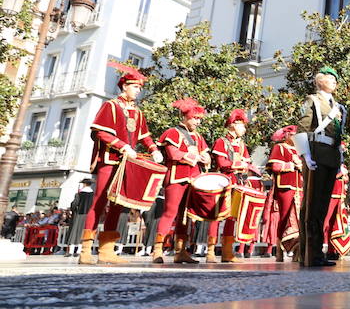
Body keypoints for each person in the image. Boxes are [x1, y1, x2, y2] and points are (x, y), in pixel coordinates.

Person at [80, 61, 163, 265]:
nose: (138, 91)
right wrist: (123, 145)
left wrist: (154, 148)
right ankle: (85, 250)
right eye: (135, 87)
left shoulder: (138, 111)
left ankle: (106, 250)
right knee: (99, 201)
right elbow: (100, 131)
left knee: (118, 204)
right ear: (124, 86)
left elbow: (144, 135)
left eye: (140, 88)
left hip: (127, 163)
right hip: (110, 159)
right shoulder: (111, 105)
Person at [296, 66, 345, 267]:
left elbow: (339, 135)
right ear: (320, 80)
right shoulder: (312, 100)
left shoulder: (340, 107)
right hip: (316, 153)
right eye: (330, 78)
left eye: (335, 78)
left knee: (323, 206)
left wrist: (340, 160)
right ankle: (308, 251)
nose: (334, 81)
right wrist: (305, 154)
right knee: (312, 205)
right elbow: (302, 128)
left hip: (331, 156)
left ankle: (318, 251)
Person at [153, 98, 211, 264]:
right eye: (195, 118)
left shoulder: (198, 137)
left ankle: (181, 251)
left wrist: (205, 157)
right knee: (170, 212)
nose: (197, 122)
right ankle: (157, 250)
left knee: (185, 216)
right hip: (176, 177)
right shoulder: (173, 132)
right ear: (185, 117)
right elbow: (173, 154)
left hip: (194, 179)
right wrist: (194, 156)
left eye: (199, 119)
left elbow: (206, 154)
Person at [209, 108, 253, 263]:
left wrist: (242, 165)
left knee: (232, 218)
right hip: (223, 182)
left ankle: (227, 252)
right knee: (217, 216)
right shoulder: (222, 141)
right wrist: (239, 164)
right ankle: (210, 251)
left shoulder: (242, 145)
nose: (244, 129)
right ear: (234, 124)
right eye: (243, 125)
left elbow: (247, 163)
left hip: (237, 183)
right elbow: (222, 163)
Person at [267, 125, 304, 261]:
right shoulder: (279, 147)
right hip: (285, 187)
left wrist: (301, 166)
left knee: (299, 218)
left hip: (299, 187)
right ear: (287, 135)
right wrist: (291, 165)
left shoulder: (300, 150)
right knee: (285, 217)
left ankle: (297, 250)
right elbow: (275, 166)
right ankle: (280, 249)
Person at [64, 179, 93, 257]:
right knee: (82, 232)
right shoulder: (93, 194)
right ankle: (79, 251)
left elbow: (74, 204)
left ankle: (71, 251)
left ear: (84, 184)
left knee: (74, 231)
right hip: (87, 215)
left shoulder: (79, 194)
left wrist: (72, 210)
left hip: (78, 214)